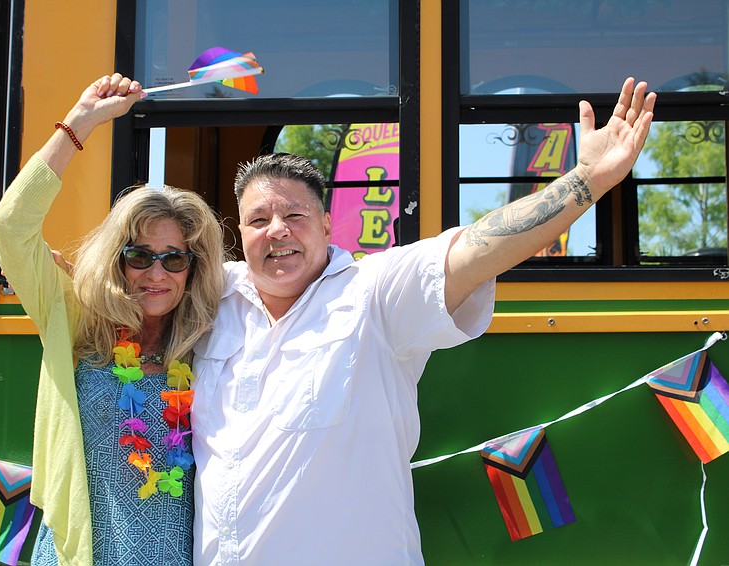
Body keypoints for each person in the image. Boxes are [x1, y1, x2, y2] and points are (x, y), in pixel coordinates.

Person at [188, 77, 656, 564]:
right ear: (240, 232)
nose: (277, 230)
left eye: (295, 215)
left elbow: (480, 247)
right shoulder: (211, 295)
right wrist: (96, 121)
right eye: (258, 219)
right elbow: (116, 287)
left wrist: (588, 181)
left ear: (327, 226)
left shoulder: (373, 291)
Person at [0, 74, 226, 565]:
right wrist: (81, 122)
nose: (156, 273)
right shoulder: (77, 317)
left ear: (193, 267)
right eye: (140, 256)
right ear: (118, 260)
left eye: (173, 259)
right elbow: (11, 228)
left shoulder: (212, 338)